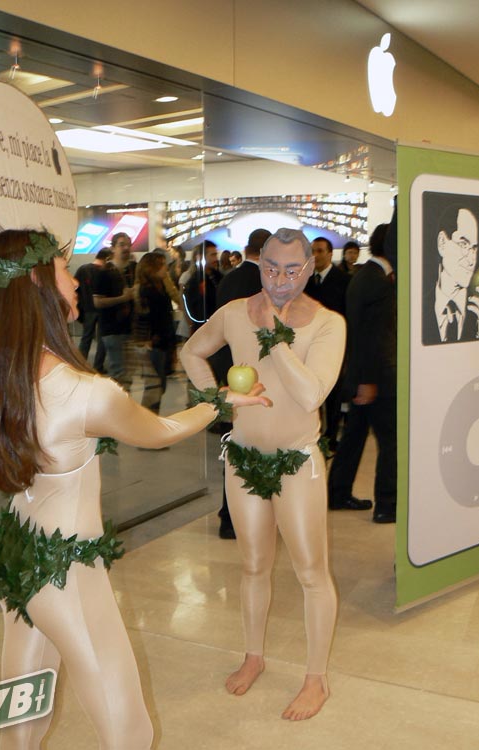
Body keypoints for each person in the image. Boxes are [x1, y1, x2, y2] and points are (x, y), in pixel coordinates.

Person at [0, 229, 270, 750]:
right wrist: (220, 403)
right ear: (39, 283)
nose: (75, 281)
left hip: (17, 558)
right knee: (128, 728)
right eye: (63, 271)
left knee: (21, 716)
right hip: (68, 574)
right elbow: (160, 431)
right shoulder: (82, 391)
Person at [181, 227, 346, 721]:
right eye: (271, 268)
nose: (279, 279)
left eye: (292, 269)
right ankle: (253, 655)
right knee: (253, 565)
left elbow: (311, 394)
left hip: (298, 460)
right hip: (244, 458)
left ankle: (316, 678)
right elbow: (191, 351)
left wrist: (274, 337)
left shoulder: (328, 323)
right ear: (259, 265)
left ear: (309, 269)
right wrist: (218, 400)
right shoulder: (234, 313)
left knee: (311, 572)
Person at [328, 223, 397, 521]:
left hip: (363, 376)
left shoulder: (366, 276)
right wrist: (368, 381)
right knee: (391, 441)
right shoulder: (379, 283)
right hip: (376, 379)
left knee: (354, 437)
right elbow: (372, 337)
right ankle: (387, 505)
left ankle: (338, 493)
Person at [213, 228, 272, 539]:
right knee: (252, 445)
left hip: (229, 372)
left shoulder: (228, 279)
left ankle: (230, 515)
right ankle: (238, 515)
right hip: (252, 377)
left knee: (235, 446)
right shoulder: (261, 283)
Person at [423, 206, 479, 344]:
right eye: (463, 244)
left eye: (474, 248)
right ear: (442, 243)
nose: (471, 260)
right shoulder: (418, 307)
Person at [304, 236, 349, 451]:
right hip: (308, 347)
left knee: (333, 395)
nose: (316, 255)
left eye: (320, 251)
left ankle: (331, 438)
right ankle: (314, 435)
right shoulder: (305, 281)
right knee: (311, 392)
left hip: (334, 347)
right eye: (312, 251)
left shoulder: (344, 281)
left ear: (330, 254)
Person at [134, 252, 177, 413]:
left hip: (163, 340)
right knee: (154, 386)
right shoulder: (146, 290)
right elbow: (145, 317)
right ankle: (147, 419)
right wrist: (147, 340)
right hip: (153, 342)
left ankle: (150, 417)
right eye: (162, 265)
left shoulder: (160, 287)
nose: (166, 268)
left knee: (159, 385)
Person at [93, 232, 136, 388]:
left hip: (130, 328)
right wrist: (123, 298)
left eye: (128, 244)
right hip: (112, 329)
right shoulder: (104, 272)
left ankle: (125, 401)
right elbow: (97, 302)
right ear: (112, 248)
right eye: (121, 245)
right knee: (119, 373)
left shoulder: (133, 270)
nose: (126, 248)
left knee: (129, 374)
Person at [74, 247, 111, 370]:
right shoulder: (106, 272)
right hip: (103, 309)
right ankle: (98, 366)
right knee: (102, 340)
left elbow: (76, 289)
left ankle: (80, 365)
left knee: (86, 338)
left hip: (87, 309)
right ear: (107, 258)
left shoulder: (83, 269)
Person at [182, 240, 222, 333]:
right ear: (200, 257)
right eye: (212, 255)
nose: (216, 259)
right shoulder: (194, 282)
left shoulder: (219, 277)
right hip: (205, 330)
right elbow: (196, 313)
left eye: (216, 255)